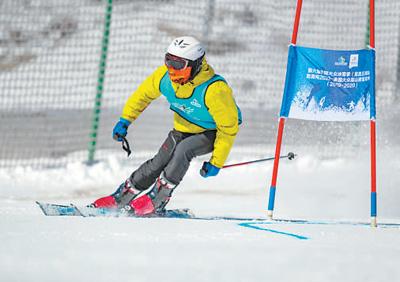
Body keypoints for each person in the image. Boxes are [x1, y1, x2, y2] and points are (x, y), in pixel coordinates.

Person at [91, 36, 242, 216]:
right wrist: (125, 120)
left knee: (183, 150)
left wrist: (216, 162)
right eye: (168, 60)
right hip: (183, 128)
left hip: (212, 132)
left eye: (178, 64)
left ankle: (158, 199)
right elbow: (142, 95)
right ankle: (122, 196)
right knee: (158, 162)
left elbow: (228, 128)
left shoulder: (215, 90)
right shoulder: (164, 77)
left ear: (196, 65)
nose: (171, 69)